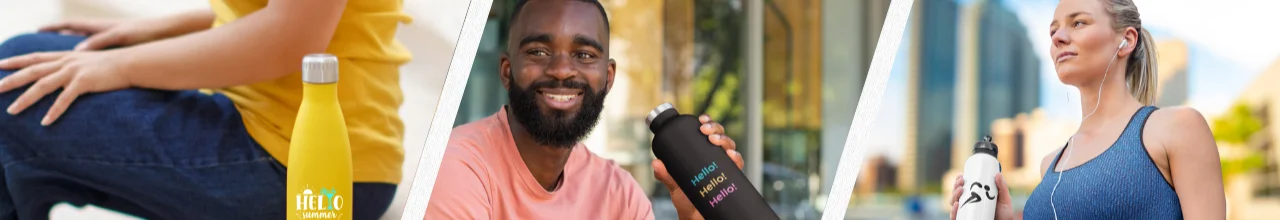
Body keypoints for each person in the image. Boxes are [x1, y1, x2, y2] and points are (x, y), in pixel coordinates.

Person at [0, 0, 411, 219]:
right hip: (270, 130)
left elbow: (290, 38)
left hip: (309, 169)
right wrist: (148, 33)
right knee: (27, 62)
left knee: (12, 98)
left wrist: (120, 65)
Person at [424, 0, 744, 219]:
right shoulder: (456, 167)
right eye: (538, 51)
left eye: (585, 55)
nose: (562, 70)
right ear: (507, 71)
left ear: (607, 78)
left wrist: (694, 215)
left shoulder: (618, 194)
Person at [949, 0, 1225, 219]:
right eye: (1053, 30)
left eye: (1078, 23)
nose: (1058, 38)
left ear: (1126, 40)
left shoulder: (1176, 127)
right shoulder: (1051, 164)